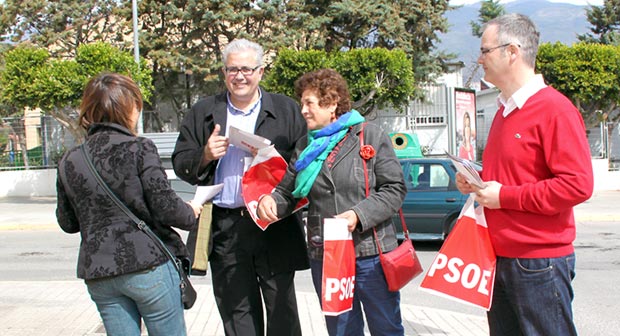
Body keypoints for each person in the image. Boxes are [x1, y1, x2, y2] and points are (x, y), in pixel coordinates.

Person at [456, 13, 594, 335]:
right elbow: (514, 173)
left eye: (485, 50)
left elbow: (578, 185)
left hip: (538, 262)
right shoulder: (504, 111)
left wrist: (503, 196)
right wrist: (475, 180)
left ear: (512, 52)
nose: (480, 59)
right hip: (500, 257)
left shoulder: (554, 109)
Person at [171, 39, 309, 336]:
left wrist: (276, 183)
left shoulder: (286, 110)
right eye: (233, 69)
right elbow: (181, 160)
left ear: (260, 72)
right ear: (224, 73)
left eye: (247, 68)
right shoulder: (204, 111)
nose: (240, 76)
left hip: (274, 224)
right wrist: (205, 155)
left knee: (282, 313)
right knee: (237, 314)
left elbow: (304, 163)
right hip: (226, 226)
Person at [257, 68, 408, 336]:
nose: (303, 110)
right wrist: (270, 202)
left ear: (332, 104)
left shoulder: (368, 135)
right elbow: (286, 193)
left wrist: (357, 215)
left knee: (386, 328)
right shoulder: (305, 146)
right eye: (301, 103)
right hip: (327, 255)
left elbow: (394, 188)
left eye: (309, 103)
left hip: (372, 253)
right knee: (341, 329)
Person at [55, 72, 203, 336]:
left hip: (100, 272)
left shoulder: (69, 159)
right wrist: (190, 212)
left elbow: (67, 223)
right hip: (147, 265)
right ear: (129, 107)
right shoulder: (139, 148)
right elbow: (166, 206)